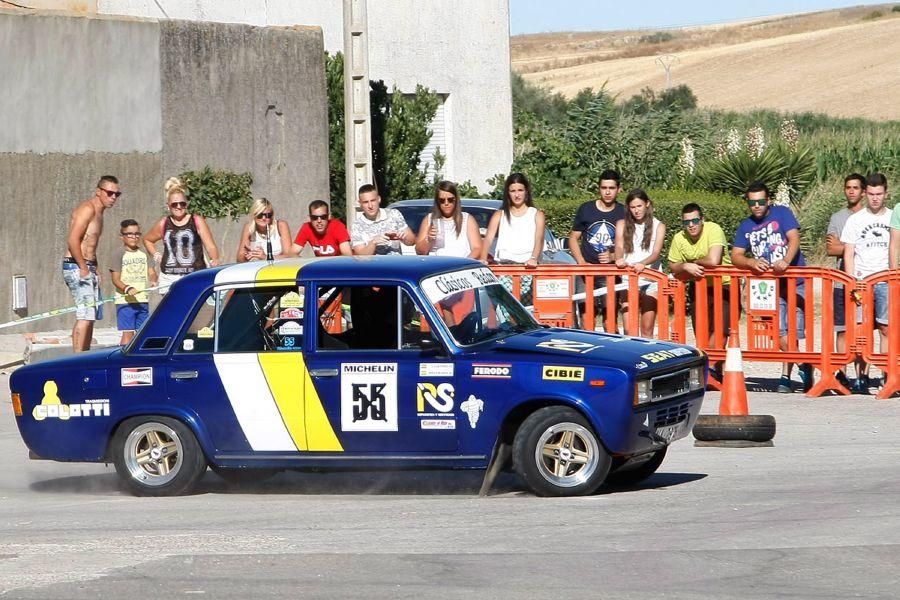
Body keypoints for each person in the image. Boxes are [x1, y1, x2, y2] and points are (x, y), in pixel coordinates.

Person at [732, 181, 811, 393]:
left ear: (768, 201)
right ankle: (803, 363)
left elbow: (794, 238)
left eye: (760, 201)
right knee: (777, 331)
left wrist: (785, 260)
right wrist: (751, 262)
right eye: (752, 202)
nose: (756, 206)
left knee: (792, 330)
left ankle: (785, 375)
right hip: (768, 286)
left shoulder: (782, 213)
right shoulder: (745, 226)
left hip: (795, 281)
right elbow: (735, 255)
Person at [668, 203, 736, 375]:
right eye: (687, 222)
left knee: (721, 331)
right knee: (702, 333)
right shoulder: (679, 238)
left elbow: (714, 260)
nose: (691, 225)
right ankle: (715, 372)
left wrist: (693, 264)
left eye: (695, 220)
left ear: (702, 220)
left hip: (724, 286)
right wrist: (684, 265)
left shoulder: (713, 229)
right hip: (699, 288)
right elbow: (672, 265)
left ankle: (710, 369)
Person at [841, 173, 892, 394]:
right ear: (866, 194)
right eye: (870, 194)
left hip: (885, 280)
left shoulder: (893, 218)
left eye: (878, 194)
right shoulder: (855, 220)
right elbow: (849, 253)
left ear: (885, 194)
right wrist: (852, 281)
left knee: (886, 328)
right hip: (862, 280)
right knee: (862, 331)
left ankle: (886, 374)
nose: (874, 198)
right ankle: (861, 376)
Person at [63, 175, 121, 352]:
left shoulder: (100, 213)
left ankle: (84, 356)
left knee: (91, 316)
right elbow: (73, 239)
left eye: (117, 194)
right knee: (85, 315)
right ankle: (76, 360)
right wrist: (83, 267)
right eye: (110, 193)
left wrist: (95, 268)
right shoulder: (87, 209)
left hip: (88, 266)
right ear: (98, 191)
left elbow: (90, 244)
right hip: (75, 265)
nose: (113, 197)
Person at [568, 170, 626, 328]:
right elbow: (573, 237)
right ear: (598, 188)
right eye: (603, 187)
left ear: (619, 189)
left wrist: (613, 257)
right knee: (587, 319)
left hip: (610, 273)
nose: (607, 192)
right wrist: (580, 261)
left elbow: (630, 244)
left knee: (610, 320)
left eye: (611, 188)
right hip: (585, 273)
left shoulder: (624, 212)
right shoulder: (586, 209)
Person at [143, 177, 220, 294]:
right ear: (168, 206)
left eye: (182, 203)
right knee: (172, 310)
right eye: (175, 204)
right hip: (169, 276)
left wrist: (214, 259)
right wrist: (156, 255)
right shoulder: (164, 223)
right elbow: (147, 240)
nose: (179, 207)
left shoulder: (196, 220)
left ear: (186, 204)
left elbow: (210, 246)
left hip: (195, 274)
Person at [825, 173, 866, 389]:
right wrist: (858, 246)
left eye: (856, 187)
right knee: (842, 329)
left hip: (865, 280)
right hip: (842, 281)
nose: (851, 191)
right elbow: (831, 248)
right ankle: (842, 372)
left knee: (862, 329)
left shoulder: (870, 217)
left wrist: (845, 245)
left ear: (864, 191)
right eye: (848, 187)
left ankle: (862, 374)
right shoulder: (838, 217)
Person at [481, 173, 545, 305]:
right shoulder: (500, 214)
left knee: (527, 311)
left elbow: (539, 239)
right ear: (508, 193)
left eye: (520, 190)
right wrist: (483, 258)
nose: (517, 195)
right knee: (505, 310)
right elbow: (488, 239)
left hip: (528, 269)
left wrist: (534, 258)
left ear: (526, 192)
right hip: (504, 269)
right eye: (513, 191)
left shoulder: (536, 214)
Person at [614, 189, 665, 338]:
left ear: (647, 204)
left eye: (639, 206)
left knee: (647, 329)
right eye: (633, 207)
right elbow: (618, 246)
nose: (636, 210)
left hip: (650, 279)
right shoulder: (622, 224)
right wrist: (619, 258)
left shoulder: (659, 225)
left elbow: (656, 253)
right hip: (628, 278)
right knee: (629, 329)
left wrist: (642, 263)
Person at [109, 219, 157, 346]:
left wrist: (153, 280)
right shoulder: (118, 254)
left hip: (142, 300)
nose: (133, 237)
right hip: (125, 302)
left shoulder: (144, 254)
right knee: (128, 334)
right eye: (129, 234)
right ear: (122, 237)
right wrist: (127, 288)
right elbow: (115, 279)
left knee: (143, 333)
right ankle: (124, 362)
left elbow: (151, 271)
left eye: (137, 234)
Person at [415, 180, 482, 258]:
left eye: (450, 200)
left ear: (456, 200)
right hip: (437, 266)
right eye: (442, 200)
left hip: (461, 264)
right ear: (437, 202)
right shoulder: (429, 219)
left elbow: (477, 248)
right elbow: (420, 251)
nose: (446, 203)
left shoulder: (467, 219)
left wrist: (464, 264)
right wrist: (428, 239)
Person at [350, 184, 415, 255]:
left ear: (379, 199)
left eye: (373, 200)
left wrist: (403, 238)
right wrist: (373, 243)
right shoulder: (357, 225)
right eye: (366, 202)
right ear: (360, 204)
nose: (370, 206)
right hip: (374, 265)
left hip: (396, 265)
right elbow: (361, 257)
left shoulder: (394, 214)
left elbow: (412, 242)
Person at [236, 198, 295, 262]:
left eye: (267, 215)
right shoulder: (249, 227)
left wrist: (265, 257)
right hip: (256, 267)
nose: (264, 218)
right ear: (254, 215)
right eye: (260, 215)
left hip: (278, 267)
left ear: (272, 215)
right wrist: (247, 255)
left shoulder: (281, 225)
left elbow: (289, 256)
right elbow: (239, 258)